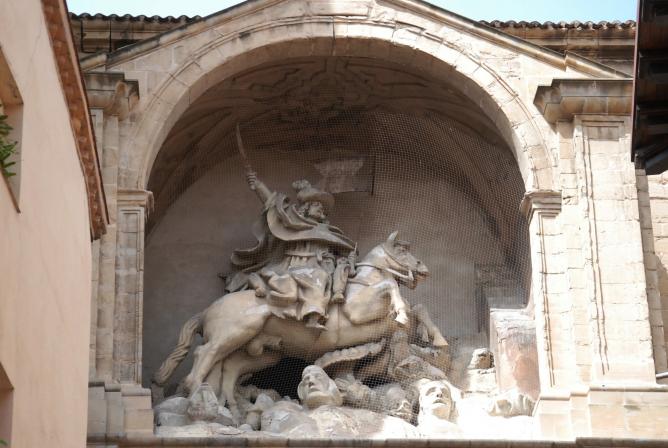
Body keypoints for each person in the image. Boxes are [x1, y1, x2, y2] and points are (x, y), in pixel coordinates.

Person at [226, 171, 356, 330]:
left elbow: (344, 250)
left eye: (322, 208)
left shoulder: (328, 231)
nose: (321, 209)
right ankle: (312, 316)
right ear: (306, 207)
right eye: (316, 205)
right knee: (318, 277)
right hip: (293, 267)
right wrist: (258, 185)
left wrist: (347, 259)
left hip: (320, 267)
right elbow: (273, 205)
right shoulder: (293, 223)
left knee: (323, 277)